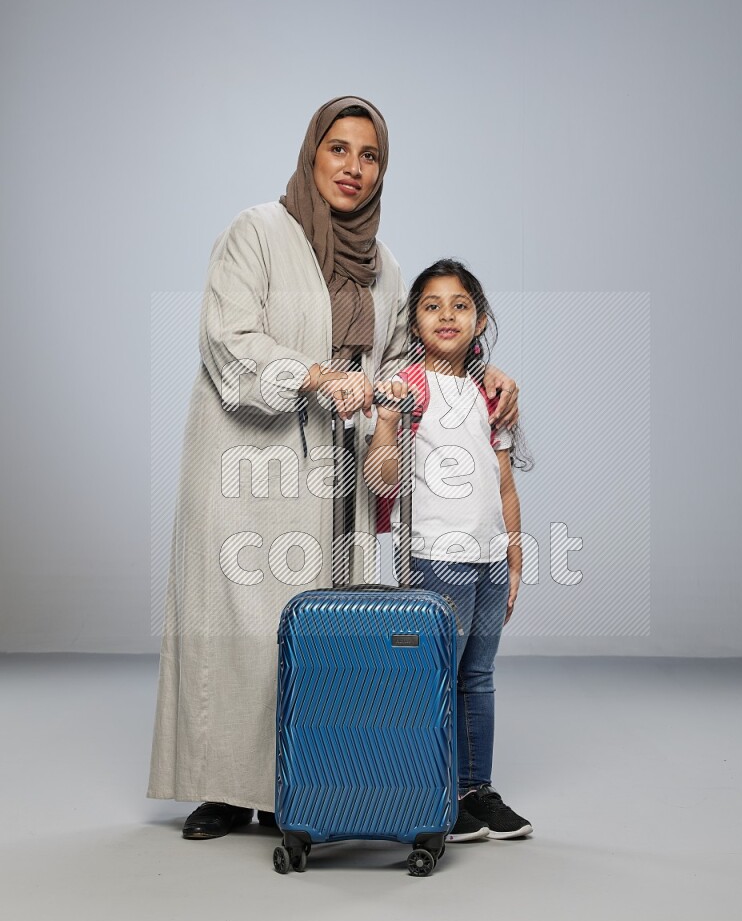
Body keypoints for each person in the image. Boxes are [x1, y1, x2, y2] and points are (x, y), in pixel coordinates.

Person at [148, 97, 521, 839]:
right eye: (340, 149)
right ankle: (225, 788)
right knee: (240, 623)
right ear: (312, 152)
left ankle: (310, 782)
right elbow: (228, 340)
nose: (354, 168)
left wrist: (488, 374)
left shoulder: (386, 267)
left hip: (335, 475)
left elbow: (407, 364)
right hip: (245, 460)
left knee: (317, 628)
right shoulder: (254, 232)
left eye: (370, 156)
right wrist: (314, 374)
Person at [365, 259, 533, 842]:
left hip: (488, 557)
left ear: (479, 320)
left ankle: (474, 788)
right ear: (414, 322)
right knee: (435, 674)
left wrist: (514, 559)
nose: (446, 315)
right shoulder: (407, 386)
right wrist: (386, 423)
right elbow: (382, 479)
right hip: (435, 551)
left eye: (459, 305)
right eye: (431, 305)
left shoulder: (492, 395)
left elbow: (505, 482)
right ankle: (434, 789)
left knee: (477, 676)